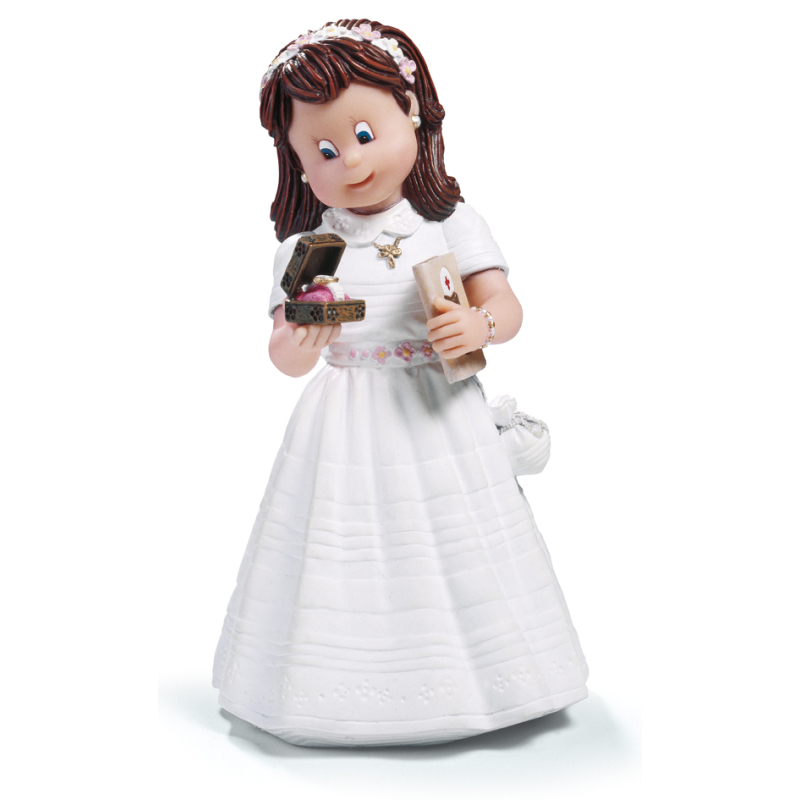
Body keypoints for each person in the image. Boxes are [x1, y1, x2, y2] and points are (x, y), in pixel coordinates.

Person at [213, 19, 588, 747]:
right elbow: (284, 350)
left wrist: (479, 325)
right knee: (342, 550)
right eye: (324, 151)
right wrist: (301, 337)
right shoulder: (315, 246)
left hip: (437, 406)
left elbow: (505, 306)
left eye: (364, 134)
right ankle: (342, 688)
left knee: (459, 540)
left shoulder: (447, 223)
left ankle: (486, 681)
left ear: (410, 113)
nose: (350, 161)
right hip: (346, 420)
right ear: (298, 163)